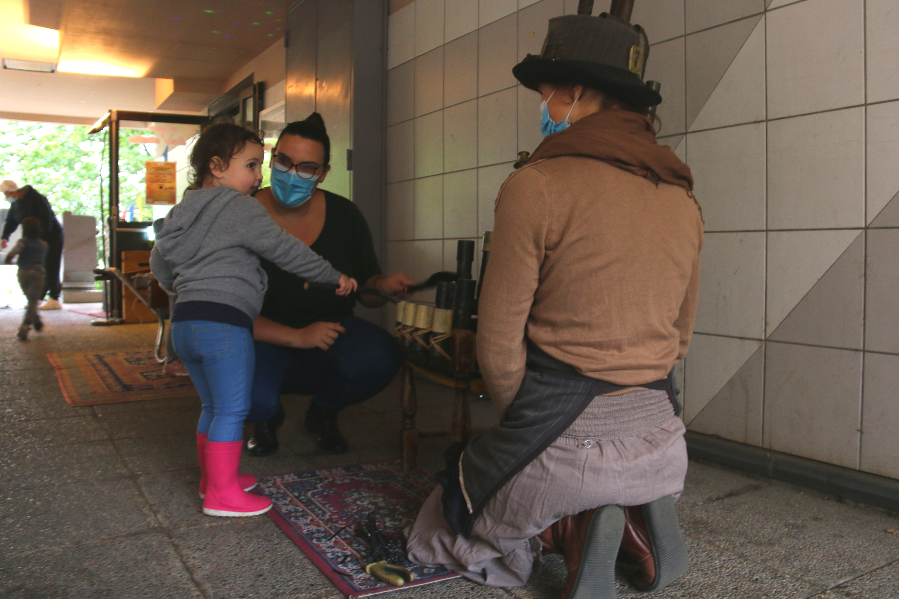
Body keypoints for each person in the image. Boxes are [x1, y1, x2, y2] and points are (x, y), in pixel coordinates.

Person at [405, 10, 703, 599]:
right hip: (664, 442)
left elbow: (497, 343)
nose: (542, 103)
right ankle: (630, 519)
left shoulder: (536, 185)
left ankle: (567, 526)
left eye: (545, 89)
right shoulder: (682, 196)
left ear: (573, 91)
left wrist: (525, 422)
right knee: (584, 462)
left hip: (557, 444)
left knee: (445, 514)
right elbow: (682, 335)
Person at [150, 121, 357, 518]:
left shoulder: (182, 210)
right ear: (217, 166)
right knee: (231, 409)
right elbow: (285, 250)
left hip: (187, 324)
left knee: (211, 406)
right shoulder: (239, 207)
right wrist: (333, 276)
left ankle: (213, 479)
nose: (259, 176)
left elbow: (160, 263)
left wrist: (188, 286)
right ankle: (223, 494)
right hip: (224, 323)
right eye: (250, 165)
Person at [244, 113, 414, 456]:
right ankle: (265, 417)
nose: (292, 174)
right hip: (258, 337)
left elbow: (368, 285)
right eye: (283, 161)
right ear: (271, 158)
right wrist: (296, 335)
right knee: (246, 390)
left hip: (329, 335)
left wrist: (384, 287)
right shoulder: (240, 213)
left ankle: (323, 411)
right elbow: (226, 306)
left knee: (379, 355)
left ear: (323, 174)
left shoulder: (344, 215)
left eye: (306, 167)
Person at [1, 180, 64, 310]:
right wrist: (4, 237)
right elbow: (11, 221)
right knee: (38, 267)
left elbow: (47, 218)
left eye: (6, 194)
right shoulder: (16, 204)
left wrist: (44, 238)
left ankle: (54, 298)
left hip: (51, 236)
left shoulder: (36, 198)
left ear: (13, 191)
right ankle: (38, 298)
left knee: (50, 265)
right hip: (34, 239)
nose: (6, 197)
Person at [4, 217, 48, 340]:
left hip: (23, 274)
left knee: (31, 300)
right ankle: (25, 325)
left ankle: (37, 322)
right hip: (38, 274)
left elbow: (11, 254)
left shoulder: (22, 242)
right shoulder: (43, 245)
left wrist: (9, 260)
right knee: (33, 301)